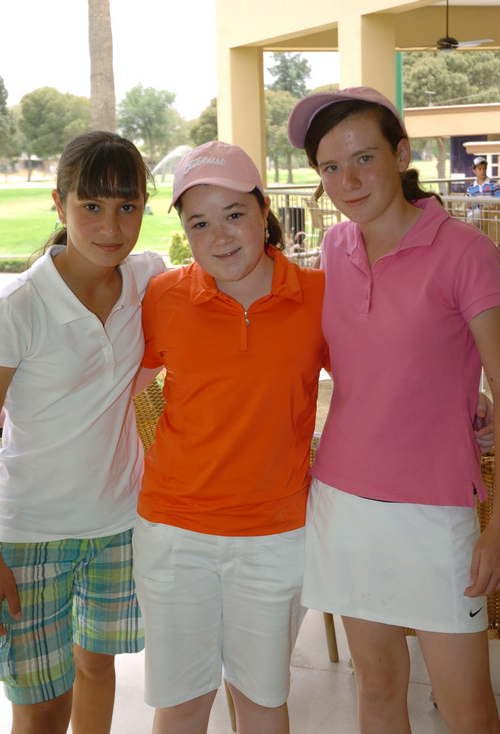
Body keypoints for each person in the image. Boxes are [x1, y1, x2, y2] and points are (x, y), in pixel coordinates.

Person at [287, 86, 500, 734]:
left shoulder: (466, 251)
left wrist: (498, 527)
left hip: (435, 511)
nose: (347, 181)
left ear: (401, 154)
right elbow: (366, 363)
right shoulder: (333, 249)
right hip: (343, 501)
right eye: (330, 167)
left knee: (467, 708)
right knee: (377, 687)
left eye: (364, 158)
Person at [132, 140, 329, 734]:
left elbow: (374, 385)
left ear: (263, 210)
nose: (219, 236)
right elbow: (116, 386)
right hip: (174, 533)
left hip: (276, 537)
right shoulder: (164, 296)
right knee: (182, 703)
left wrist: (469, 402)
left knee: (262, 701)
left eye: (234, 214)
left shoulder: (318, 296)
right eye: (199, 223)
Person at [0, 130, 165, 734]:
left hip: (118, 526)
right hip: (29, 534)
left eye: (128, 206)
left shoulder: (149, 278)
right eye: (91, 206)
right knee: (42, 706)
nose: (111, 227)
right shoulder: (19, 306)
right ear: (59, 204)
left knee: (98, 670)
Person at [466, 156, 500, 228]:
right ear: (474, 170)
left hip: (490, 214)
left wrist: (484, 205)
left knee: (469, 224)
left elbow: (498, 201)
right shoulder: (471, 187)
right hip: (475, 214)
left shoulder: (494, 184)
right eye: (479, 169)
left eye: (484, 168)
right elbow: (468, 204)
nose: (482, 171)